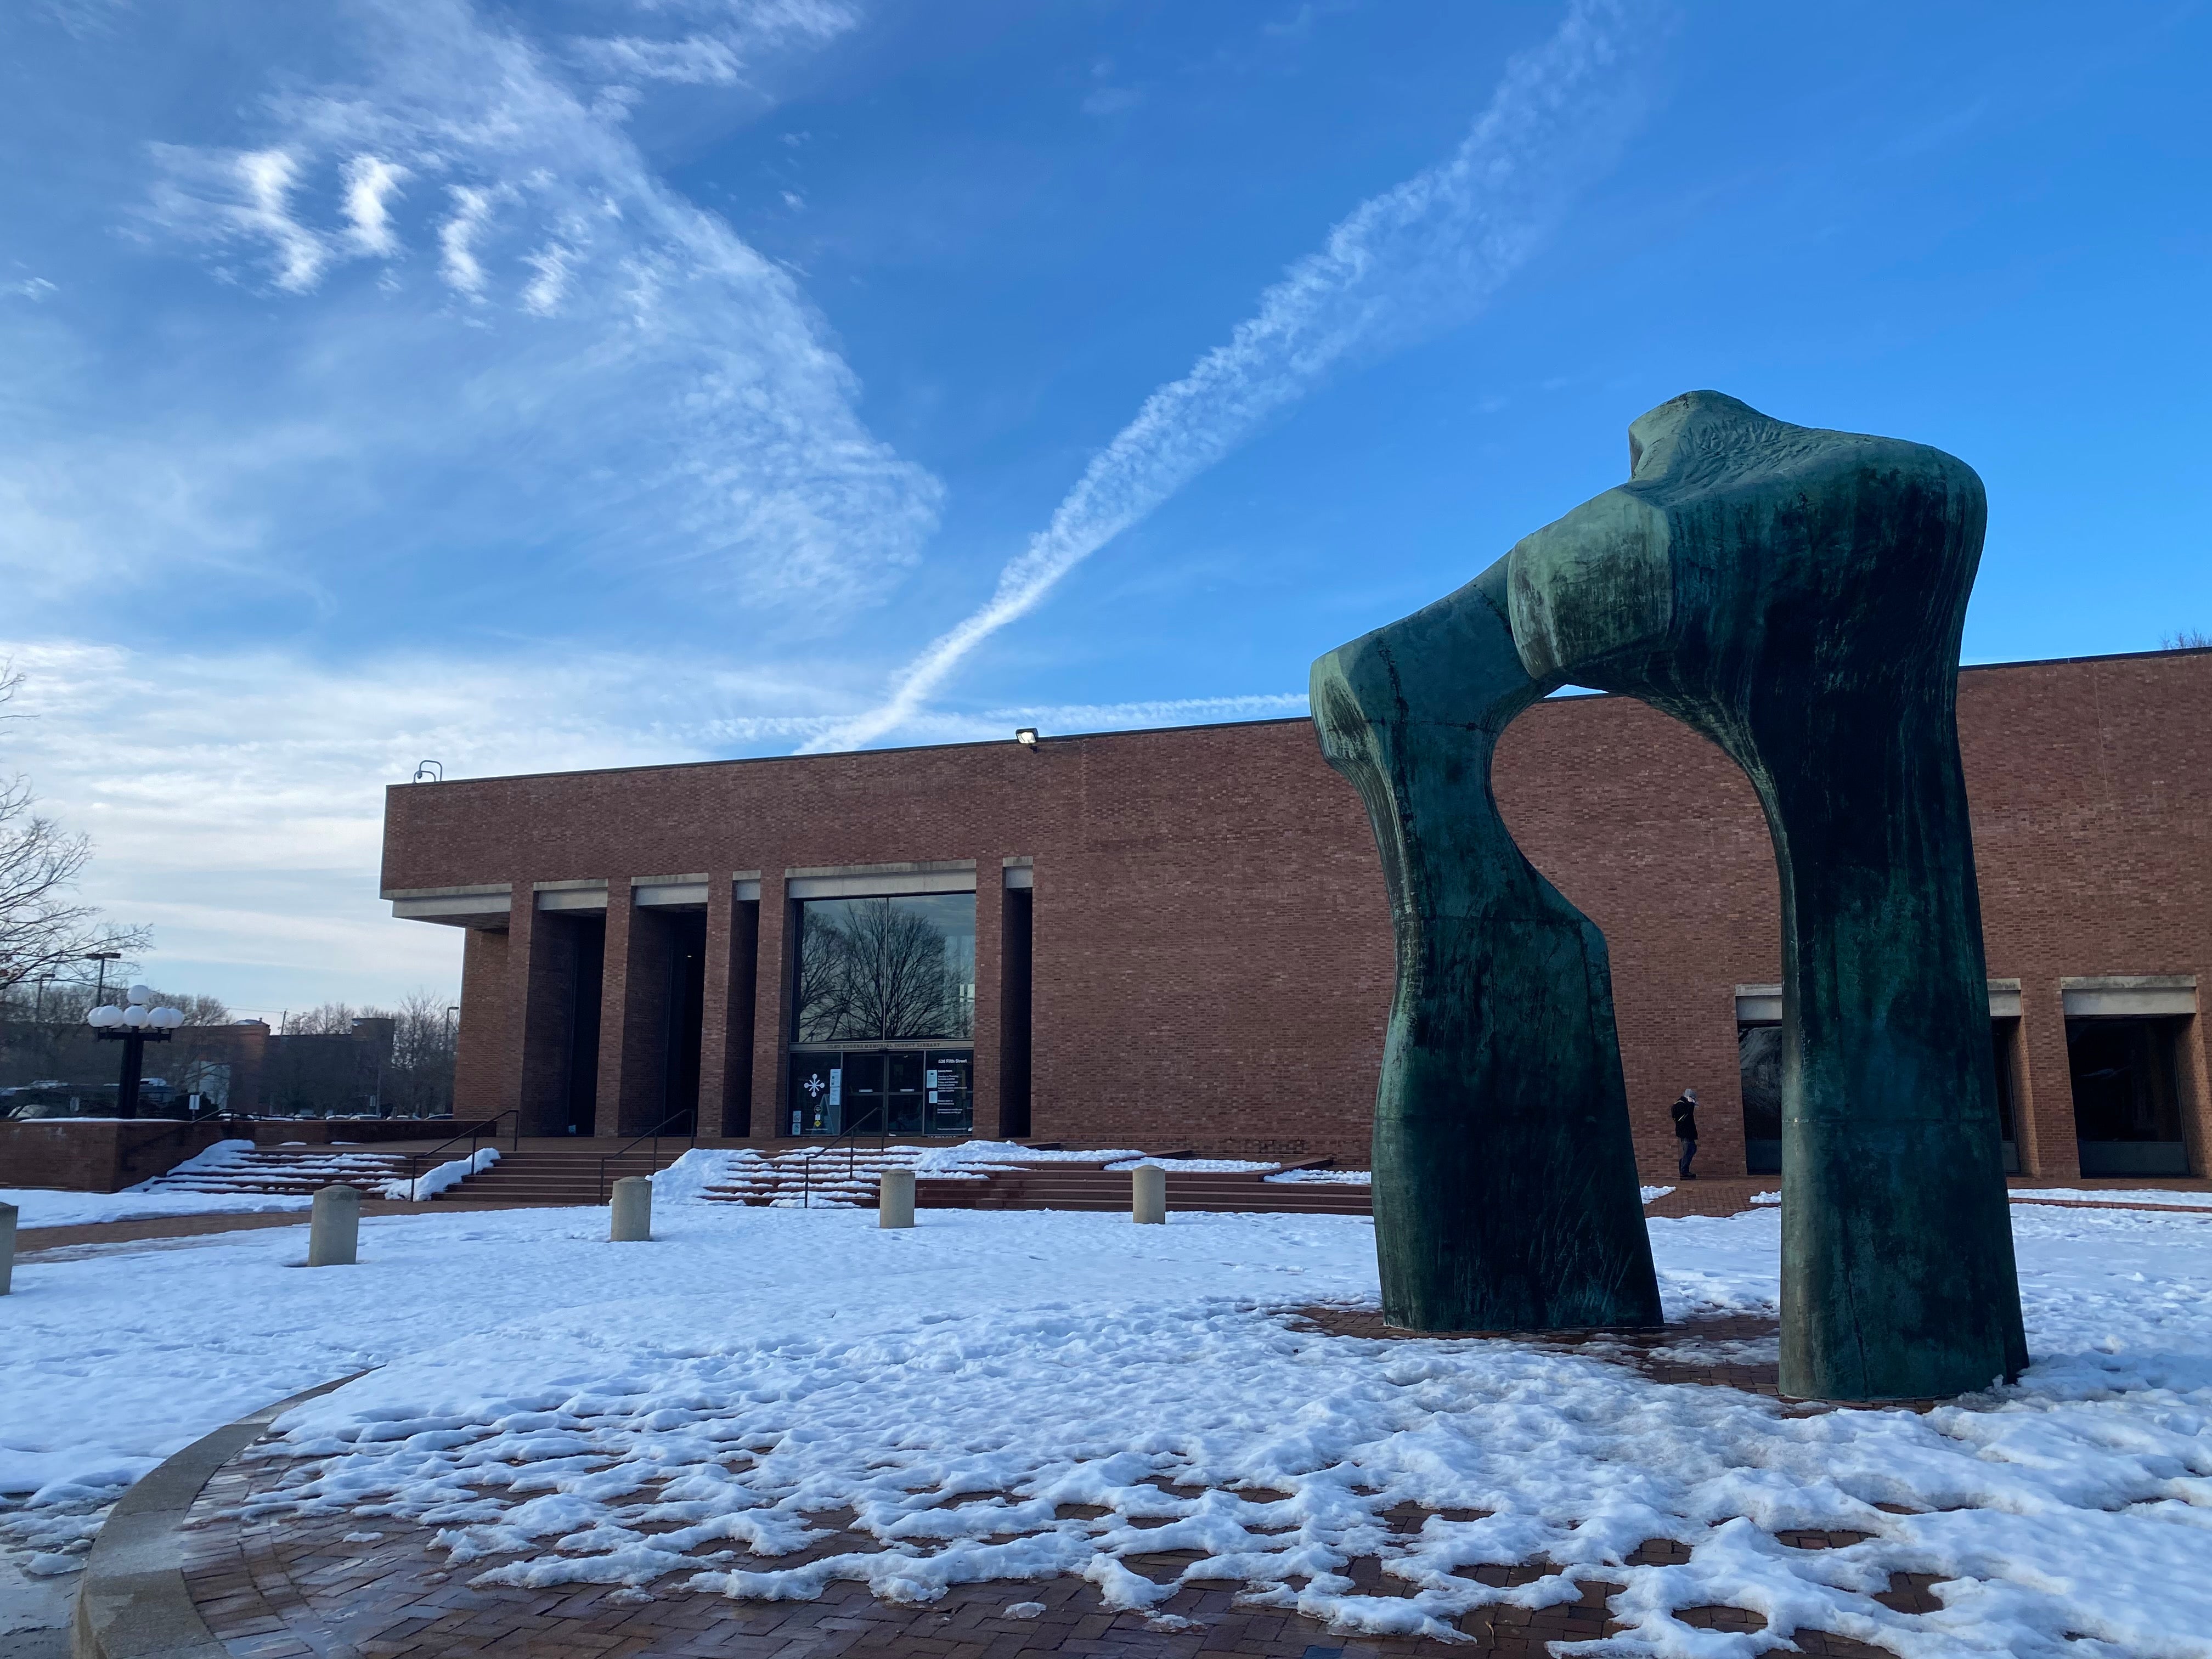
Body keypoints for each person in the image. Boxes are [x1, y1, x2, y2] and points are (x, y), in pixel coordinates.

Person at [1670, 1087, 1699, 1179]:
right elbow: (1686, 1116)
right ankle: (1684, 1170)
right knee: (1688, 1150)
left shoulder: (1684, 1104)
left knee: (1692, 1149)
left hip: (1688, 1132)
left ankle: (1683, 1167)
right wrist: (1691, 1104)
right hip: (1685, 1133)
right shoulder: (1680, 1105)